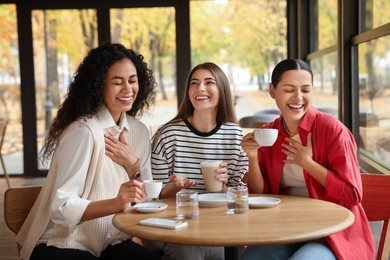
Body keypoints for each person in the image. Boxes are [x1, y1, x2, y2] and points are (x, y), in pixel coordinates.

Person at [16, 43, 161, 260]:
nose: (128, 89)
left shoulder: (138, 132)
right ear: (98, 85)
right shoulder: (84, 132)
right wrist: (116, 203)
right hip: (63, 244)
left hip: (109, 242)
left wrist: (133, 165)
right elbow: (61, 206)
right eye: (117, 82)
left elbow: (149, 200)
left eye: (132, 80)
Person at [240, 59, 375, 260]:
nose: (298, 97)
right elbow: (261, 194)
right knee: (251, 258)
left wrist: (307, 163)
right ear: (272, 91)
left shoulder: (332, 130)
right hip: (285, 229)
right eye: (289, 90)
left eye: (306, 90)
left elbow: (352, 194)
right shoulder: (268, 134)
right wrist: (251, 156)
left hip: (332, 232)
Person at [148, 62, 248, 260]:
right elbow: (154, 196)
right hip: (176, 225)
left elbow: (240, 199)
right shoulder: (169, 135)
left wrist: (223, 187)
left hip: (219, 226)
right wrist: (176, 187)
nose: (200, 88)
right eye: (194, 83)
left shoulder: (235, 136)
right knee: (189, 249)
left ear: (222, 90)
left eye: (208, 82)